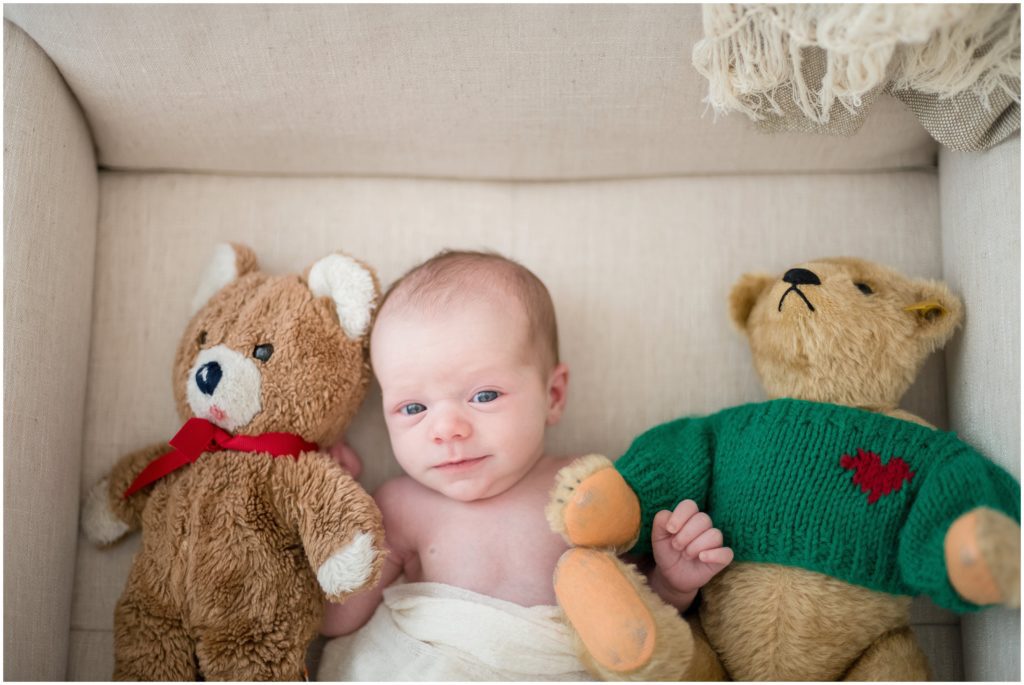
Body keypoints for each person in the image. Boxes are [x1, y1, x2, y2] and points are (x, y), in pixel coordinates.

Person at [317, 250, 733, 681]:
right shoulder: (398, 504)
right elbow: (336, 620)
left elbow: (631, 622)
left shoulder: (585, 488)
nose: (446, 429)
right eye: (413, 407)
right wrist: (335, 508)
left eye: (484, 396)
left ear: (552, 396)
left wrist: (674, 582)